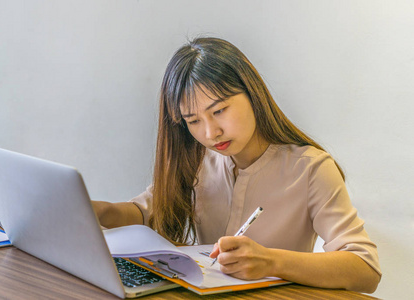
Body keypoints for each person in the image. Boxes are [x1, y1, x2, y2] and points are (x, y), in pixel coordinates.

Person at [92, 37, 381, 293]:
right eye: (193, 121)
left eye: (218, 110)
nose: (209, 133)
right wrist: (102, 211)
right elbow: (148, 211)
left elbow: (365, 270)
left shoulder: (311, 169)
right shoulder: (198, 159)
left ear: (252, 94)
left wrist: (271, 261)